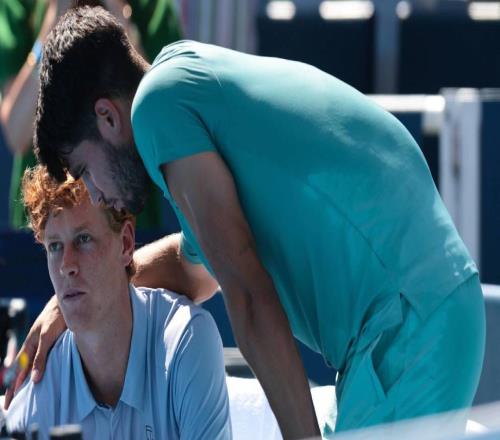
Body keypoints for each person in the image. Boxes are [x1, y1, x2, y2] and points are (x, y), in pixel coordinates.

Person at [7, 5, 485, 438]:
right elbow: (195, 270)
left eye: (85, 170)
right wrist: (66, 304)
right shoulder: (182, 83)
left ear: (108, 117)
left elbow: (249, 297)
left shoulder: (157, 109)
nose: (94, 194)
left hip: (404, 328)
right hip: (419, 316)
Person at [4, 165, 231, 439]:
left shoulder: (187, 338)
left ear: (125, 243)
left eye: (83, 239)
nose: (66, 265)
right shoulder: (42, 379)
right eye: (54, 246)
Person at [0, 0, 182, 229]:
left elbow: (165, 119)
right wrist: (54, 21)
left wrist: (117, 15)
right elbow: (16, 133)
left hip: (129, 225)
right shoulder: (19, 6)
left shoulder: (152, 7)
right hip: (48, 229)